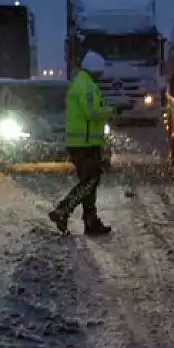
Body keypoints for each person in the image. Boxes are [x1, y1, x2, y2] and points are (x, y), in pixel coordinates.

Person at [48, 51, 126, 235]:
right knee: (90, 181)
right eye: (100, 72)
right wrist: (112, 111)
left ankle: (90, 221)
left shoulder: (84, 83)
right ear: (95, 70)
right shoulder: (86, 86)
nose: (101, 75)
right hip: (84, 144)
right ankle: (63, 210)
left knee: (89, 182)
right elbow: (92, 112)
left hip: (85, 142)